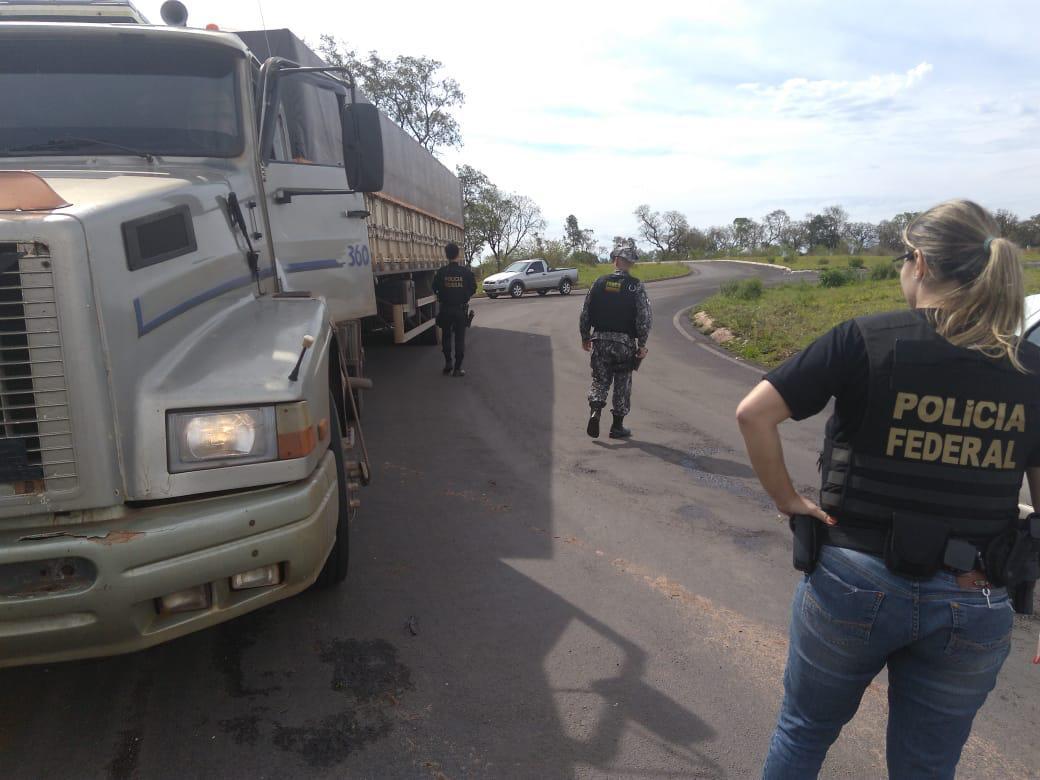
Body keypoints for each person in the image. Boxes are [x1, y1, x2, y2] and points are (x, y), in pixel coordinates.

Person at [735, 199, 1040, 779]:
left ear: (919, 263)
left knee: (802, 734)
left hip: (853, 578)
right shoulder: (1030, 368)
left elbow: (754, 414)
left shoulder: (865, 339)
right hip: (974, 596)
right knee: (926, 768)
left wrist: (788, 501)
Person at [580, 246, 652, 438]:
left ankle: (595, 410)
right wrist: (642, 345)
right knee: (622, 383)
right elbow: (644, 318)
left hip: (600, 340)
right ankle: (617, 427)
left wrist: (585, 336)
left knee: (599, 380)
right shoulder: (635, 286)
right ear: (630, 263)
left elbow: (585, 311)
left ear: (616, 261)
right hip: (624, 344)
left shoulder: (599, 282)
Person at [432, 242, 477, 377]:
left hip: (445, 309)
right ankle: (457, 369)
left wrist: (443, 294)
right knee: (459, 339)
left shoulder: (441, 272)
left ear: (446, 255)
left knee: (446, 336)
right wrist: (465, 295)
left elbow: (434, 287)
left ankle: (448, 363)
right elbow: (473, 287)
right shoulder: (466, 272)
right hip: (460, 310)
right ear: (458, 254)